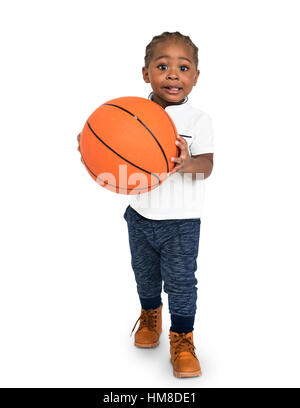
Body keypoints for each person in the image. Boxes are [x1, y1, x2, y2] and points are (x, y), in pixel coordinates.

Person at [78, 31, 214, 378]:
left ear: (195, 77)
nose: (173, 74)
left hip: (182, 222)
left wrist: (188, 163)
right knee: (145, 277)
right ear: (146, 73)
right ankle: (150, 318)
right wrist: (95, 146)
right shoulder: (129, 114)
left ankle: (182, 339)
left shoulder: (199, 121)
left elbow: (208, 166)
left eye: (183, 68)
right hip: (139, 216)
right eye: (162, 66)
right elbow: (111, 156)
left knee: (182, 283)